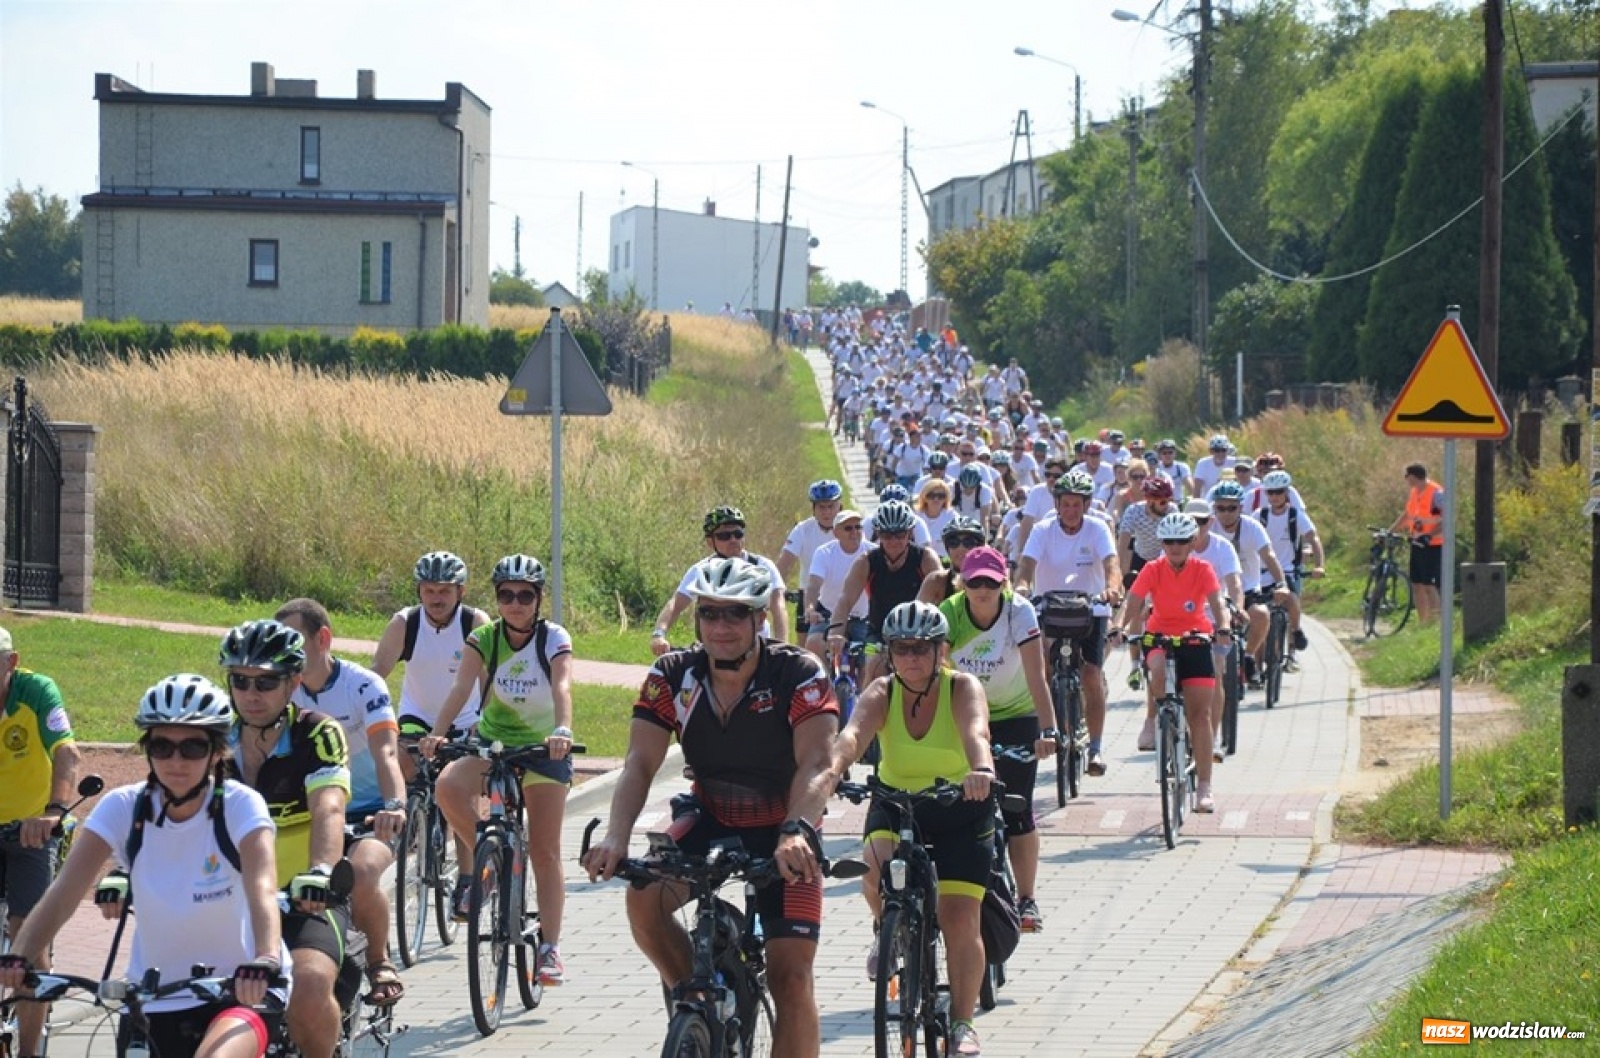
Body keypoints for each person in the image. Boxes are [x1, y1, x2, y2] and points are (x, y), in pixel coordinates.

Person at [582, 558, 838, 1058]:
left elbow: (817, 764)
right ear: (696, 619)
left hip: (784, 828)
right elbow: (638, 763)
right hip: (712, 818)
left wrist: (795, 830)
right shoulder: (672, 676)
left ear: (760, 619)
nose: (721, 627)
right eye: (710, 614)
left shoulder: (797, 672)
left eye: (735, 615)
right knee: (643, 897)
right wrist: (615, 836)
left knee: (791, 977)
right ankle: (694, 1002)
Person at [0, 675, 286, 1058]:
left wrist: (264, 959)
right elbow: (63, 895)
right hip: (151, 999)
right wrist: (20, 954)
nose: (176, 761)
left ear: (218, 752)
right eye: (161, 746)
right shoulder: (123, 807)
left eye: (193, 747)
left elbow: (263, 888)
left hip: (239, 990)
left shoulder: (240, 805)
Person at [828, 601, 995, 1057]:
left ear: (942, 650)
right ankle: (888, 926)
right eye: (902, 649)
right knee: (873, 866)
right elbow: (852, 736)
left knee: (960, 918)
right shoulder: (882, 692)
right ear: (889, 652)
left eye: (922, 648)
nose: (912, 658)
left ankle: (962, 1022)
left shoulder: (962, 687)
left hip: (960, 806)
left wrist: (980, 770)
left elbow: (977, 733)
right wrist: (831, 773)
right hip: (897, 804)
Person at [420, 554, 575, 985]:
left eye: (525, 595)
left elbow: (562, 686)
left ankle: (549, 949)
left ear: (538, 599)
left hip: (544, 749)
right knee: (448, 786)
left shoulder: (552, 638)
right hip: (493, 743)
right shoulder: (485, 637)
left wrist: (562, 730)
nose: (515, 603)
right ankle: (497, 862)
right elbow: (460, 688)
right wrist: (436, 733)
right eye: (506, 595)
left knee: (545, 852)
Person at [220, 619, 351, 1058]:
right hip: (226, 898)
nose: (250, 694)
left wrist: (320, 872)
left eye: (266, 682)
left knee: (309, 985)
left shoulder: (317, 733)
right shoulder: (211, 738)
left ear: (294, 682)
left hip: (303, 897)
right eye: (239, 681)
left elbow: (329, 808)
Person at [276, 598, 407, 1007]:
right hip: (310, 812)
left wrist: (395, 805)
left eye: (294, 641)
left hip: (369, 810)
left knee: (362, 871)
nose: (286, 654)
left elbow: (386, 753)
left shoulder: (364, 685)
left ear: (323, 639)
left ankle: (378, 959)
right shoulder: (280, 689)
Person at [939, 548, 1056, 935]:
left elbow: (1037, 674)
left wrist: (1048, 730)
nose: (983, 589)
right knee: (959, 808)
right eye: (975, 582)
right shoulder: (951, 613)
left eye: (991, 582)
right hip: (966, 714)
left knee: (1017, 809)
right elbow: (937, 671)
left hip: (1016, 715)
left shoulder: (1019, 612)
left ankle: (1026, 898)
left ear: (1003, 583)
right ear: (963, 583)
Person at [1112, 514, 1232, 813]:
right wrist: (1118, 626)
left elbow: (1217, 603)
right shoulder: (1153, 568)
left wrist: (1224, 626)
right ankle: (1158, 719)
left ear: (1193, 542)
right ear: (1162, 543)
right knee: (1158, 669)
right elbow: (1133, 601)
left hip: (1195, 639)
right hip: (1159, 637)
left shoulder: (1203, 569)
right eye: (1168, 541)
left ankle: (1204, 786)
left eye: (1181, 541)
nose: (1175, 547)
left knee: (1200, 715)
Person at [0, 626, 81, 1058]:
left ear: (10, 664)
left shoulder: (36, 691)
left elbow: (67, 753)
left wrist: (54, 812)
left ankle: (30, 1052)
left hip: (31, 830)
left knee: (28, 943)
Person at [1015, 472, 1123, 775]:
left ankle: (1096, 747)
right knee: (1044, 669)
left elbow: (1112, 565)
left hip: (1090, 610)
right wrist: (1022, 586)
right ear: (1057, 504)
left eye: (1077, 504)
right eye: (1066, 504)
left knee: (1091, 674)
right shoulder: (1042, 530)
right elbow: (1026, 566)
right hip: (1049, 609)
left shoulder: (1098, 529)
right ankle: (1053, 729)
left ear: (1086, 505)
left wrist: (1112, 588)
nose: (1071, 510)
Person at [370, 551, 491, 778]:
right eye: (429, 591)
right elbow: (377, 673)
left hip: (466, 720)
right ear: (419, 591)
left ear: (461, 592)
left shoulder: (474, 623)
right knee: (403, 765)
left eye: (444, 591)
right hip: (417, 717)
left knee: (461, 784)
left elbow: (488, 680)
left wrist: (485, 720)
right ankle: (411, 810)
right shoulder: (405, 623)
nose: (436, 599)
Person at [829, 501, 944, 686]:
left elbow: (943, 597)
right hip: (880, 632)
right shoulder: (867, 561)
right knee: (874, 669)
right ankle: (868, 713)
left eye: (900, 534)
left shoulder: (925, 558)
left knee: (933, 675)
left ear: (910, 532)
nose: (893, 541)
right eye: (886, 535)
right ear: (877, 534)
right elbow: (845, 600)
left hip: (921, 632)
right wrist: (836, 632)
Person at [652, 507, 788, 655]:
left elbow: (778, 605)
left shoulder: (763, 566)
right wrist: (659, 634)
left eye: (738, 534)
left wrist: (781, 645)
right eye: (724, 536)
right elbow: (676, 604)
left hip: (756, 645)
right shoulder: (701, 569)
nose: (733, 540)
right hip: (716, 643)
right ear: (710, 541)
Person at [1208, 481, 1288, 690]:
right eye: (1220, 508)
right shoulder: (1209, 526)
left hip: (1248, 587)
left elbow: (1268, 555)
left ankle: (1250, 655)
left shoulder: (1252, 527)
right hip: (1216, 591)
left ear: (1241, 508)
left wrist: (1281, 583)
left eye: (1231, 508)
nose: (1225, 513)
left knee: (1261, 614)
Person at [1258, 470, 1324, 664]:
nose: (1274, 496)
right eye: (1270, 492)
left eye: (1278, 492)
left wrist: (1319, 565)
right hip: (1262, 571)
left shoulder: (1296, 516)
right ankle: (1255, 666)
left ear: (1287, 492)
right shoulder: (1259, 516)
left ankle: (1295, 631)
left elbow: (1313, 538)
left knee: (1292, 599)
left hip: (1287, 569)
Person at [778, 480, 844, 644]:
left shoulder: (851, 529)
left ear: (840, 507)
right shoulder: (803, 530)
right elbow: (784, 564)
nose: (827, 512)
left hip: (843, 594)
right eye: (821, 507)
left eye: (831, 506)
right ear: (813, 509)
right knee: (805, 648)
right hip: (810, 595)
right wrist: (775, 590)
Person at [804, 509, 873, 661]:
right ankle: (823, 682)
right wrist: (810, 610)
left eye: (858, 527)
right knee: (813, 644)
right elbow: (814, 586)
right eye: (848, 528)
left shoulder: (873, 552)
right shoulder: (824, 553)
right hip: (828, 614)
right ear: (836, 533)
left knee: (869, 658)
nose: (854, 532)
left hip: (863, 617)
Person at [1391, 462, 1444, 624]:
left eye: (1406, 476)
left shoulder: (1436, 493)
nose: (1405, 480)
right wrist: (1391, 530)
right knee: (1417, 584)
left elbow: (1446, 519)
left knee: (1430, 585)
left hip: (1433, 545)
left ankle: (1435, 623)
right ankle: (1423, 622)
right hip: (1417, 542)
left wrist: (1429, 535)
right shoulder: (1415, 492)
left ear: (1412, 477)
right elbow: (1408, 514)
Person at [918, 517, 987, 604]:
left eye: (969, 542)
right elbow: (916, 614)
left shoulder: (991, 581)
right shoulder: (936, 581)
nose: (961, 548)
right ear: (947, 549)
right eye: (953, 543)